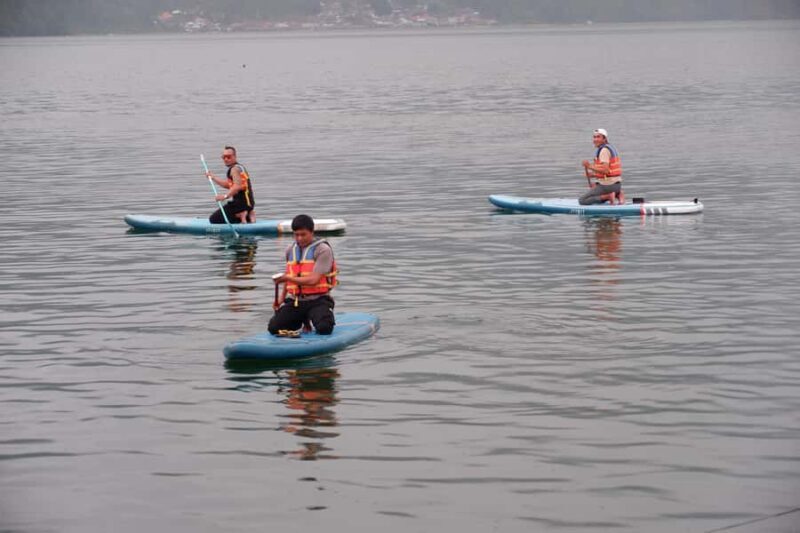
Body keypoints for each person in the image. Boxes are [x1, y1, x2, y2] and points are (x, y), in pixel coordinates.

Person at [269, 214, 338, 336]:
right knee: (274, 328)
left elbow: (313, 280)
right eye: (296, 235)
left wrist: (287, 278)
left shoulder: (323, 250)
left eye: (303, 234)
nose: (299, 238)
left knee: (324, 328)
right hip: (296, 301)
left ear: (312, 232)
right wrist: (281, 299)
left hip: (318, 300)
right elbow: (289, 275)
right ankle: (303, 320)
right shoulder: (290, 250)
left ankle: (319, 315)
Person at [206, 146, 256, 224]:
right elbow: (229, 185)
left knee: (214, 219)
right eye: (224, 157)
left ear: (235, 157)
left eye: (228, 157)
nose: (226, 159)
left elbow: (237, 186)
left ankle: (242, 215)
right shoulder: (240, 167)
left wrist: (224, 196)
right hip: (249, 204)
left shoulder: (234, 169)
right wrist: (213, 178)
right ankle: (248, 214)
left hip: (240, 205)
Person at [580, 128, 624, 205]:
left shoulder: (604, 151)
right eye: (594, 137)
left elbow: (605, 170)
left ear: (604, 139)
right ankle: (618, 194)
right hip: (617, 185)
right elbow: (608, 171)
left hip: (608, 185)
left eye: (598, 137)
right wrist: (593, 175)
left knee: (582, 200)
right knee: (595, 186)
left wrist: (589, 166)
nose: (595, 139)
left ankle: (608, 196)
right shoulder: (610, 147)